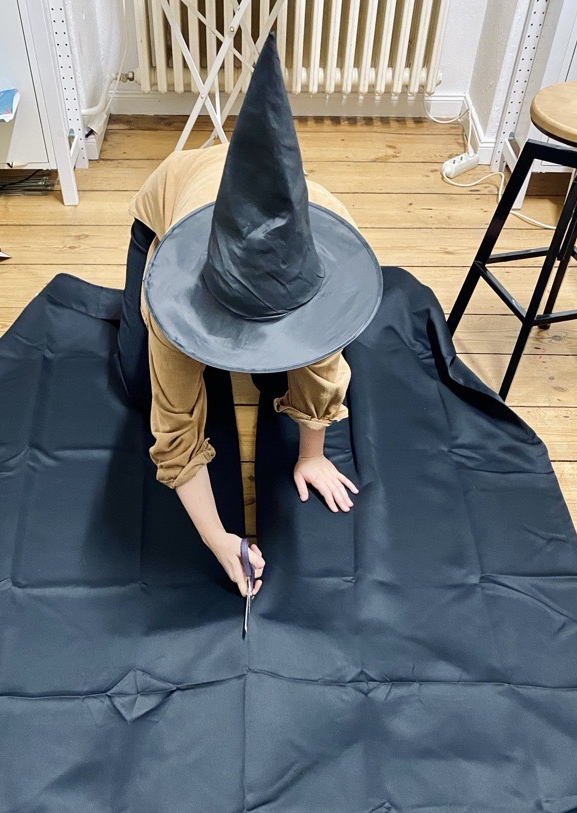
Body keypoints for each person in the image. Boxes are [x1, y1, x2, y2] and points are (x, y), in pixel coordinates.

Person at [124, 34, 382, 597]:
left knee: (285, 374)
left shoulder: (331, 240)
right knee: (135, 382)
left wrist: (312, 455)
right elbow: (174, 432)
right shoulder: (169, 295)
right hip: (166, 210)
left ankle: (264, 349)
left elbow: (323, 369)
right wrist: (219, 540)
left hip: (273, 218)